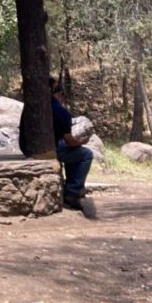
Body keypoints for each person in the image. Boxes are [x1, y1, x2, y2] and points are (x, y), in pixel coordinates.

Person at [51, 78, 92, 211]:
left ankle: (70, 187)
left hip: (31, 147)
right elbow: (69, 140)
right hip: (53, 149)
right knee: (86, 154)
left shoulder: (40, 106)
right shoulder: (61, 112)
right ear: (61, 94)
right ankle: (73, 191)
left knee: (72, 151)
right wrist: (81, 142)